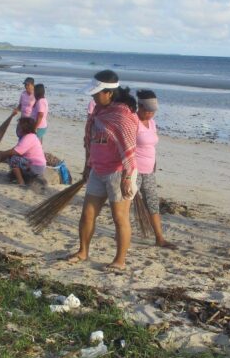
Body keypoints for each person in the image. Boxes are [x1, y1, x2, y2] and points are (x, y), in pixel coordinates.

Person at [68, 69, 139, 272]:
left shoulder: (122, 115)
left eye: (96, 93)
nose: (93, 96)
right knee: (87, 214)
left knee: (119, 218)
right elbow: (91, 142)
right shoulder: (98, 112)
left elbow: (129, 149)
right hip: (97, 171)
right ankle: (82, 251)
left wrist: (127, 177)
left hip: (118, 173)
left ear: (109, 93)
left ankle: (120, 261)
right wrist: (87, 166)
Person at [135, 89, 174, 248]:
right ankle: (121, 233)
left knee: (152, 202)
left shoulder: (151, 123)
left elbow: (151, 144)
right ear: (140, 107)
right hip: (134, 170)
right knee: (127, 203)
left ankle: (159, 238)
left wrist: (154, 162)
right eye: (148, 111)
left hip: (149, 170)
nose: (151, 114)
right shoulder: (133, 121)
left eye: (153, 111)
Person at [0, 117, 47, 187]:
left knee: (14, 159)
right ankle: (19, 177)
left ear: (24, 128)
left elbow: (15, 151)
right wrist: (3, 154)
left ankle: (21, 182)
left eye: (18, 127)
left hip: (35, 166)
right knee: (11, 156)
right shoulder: (29, 137)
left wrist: (2, 154)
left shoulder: (28, 137)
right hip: (33, 164)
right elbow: (16, 149)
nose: (17, 129)